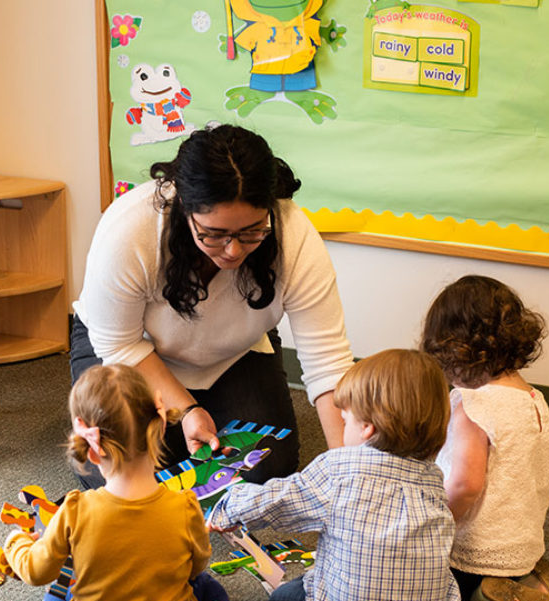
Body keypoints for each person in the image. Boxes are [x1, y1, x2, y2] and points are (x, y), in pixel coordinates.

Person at [71, 124, 354, 489]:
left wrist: (351, 474)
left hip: (231, 355)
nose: (233, 250)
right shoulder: (131, 231)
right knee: (116, 472)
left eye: (252, 232)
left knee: (270, 467)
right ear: (185, 208)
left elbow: (329, 366)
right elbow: (119, 345)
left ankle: (177, 428)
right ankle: (174, 425)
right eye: (214, 234)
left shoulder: (294, 235)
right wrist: (186, 410)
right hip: (127, 355)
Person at [3, 364, 278, 601]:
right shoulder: (184, 504)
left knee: (58, 588)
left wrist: (17, 543)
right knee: (206, 584)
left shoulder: (75, 510)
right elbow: (197, 566)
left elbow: (35, 572)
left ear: (91, 451)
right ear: (160, 427)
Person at [208, 349, 462, 601]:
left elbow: (278, 502)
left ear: (367, 428)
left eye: (346, 421)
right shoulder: (433, 479)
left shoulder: (340, 470)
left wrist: (227, 506)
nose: (343, 427)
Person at [422, 275, 549, 601]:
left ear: (453, 348)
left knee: (416, 577)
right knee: (508, 562)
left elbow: (465, 484)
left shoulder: (472, 404)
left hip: (475, 554)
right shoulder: (534, 400)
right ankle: (527, 577)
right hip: (520, 543)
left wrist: (433, 526)